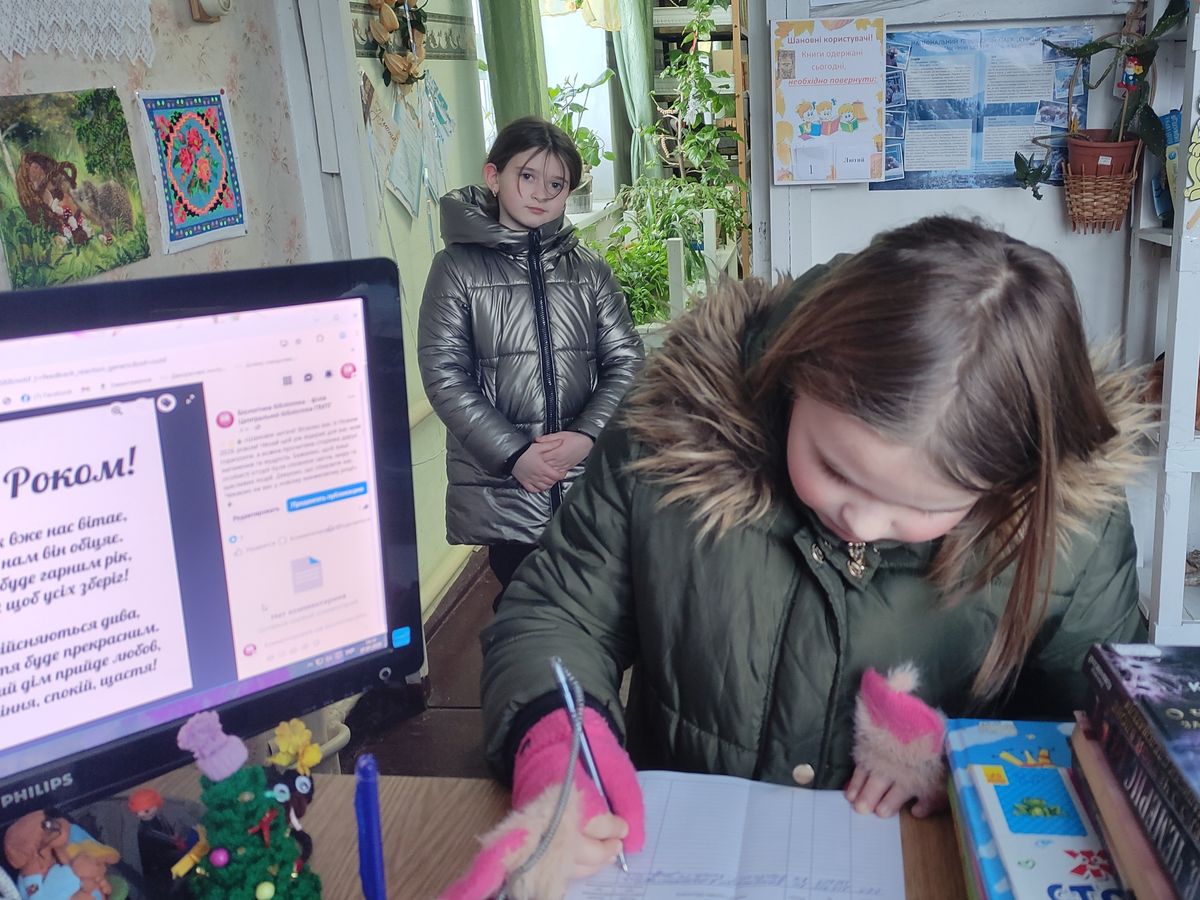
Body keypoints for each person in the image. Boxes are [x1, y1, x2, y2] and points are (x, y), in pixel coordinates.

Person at [439, 216, 1150, 900]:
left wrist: (971, 767)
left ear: (1007, 481)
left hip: (930, 860)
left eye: (922, 507)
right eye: (834, 469)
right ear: (792, 374)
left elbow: (1104, 736)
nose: (861, 520)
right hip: (671, 856)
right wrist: (557, 747)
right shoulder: (665, 435)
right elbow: (558, 613)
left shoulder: (1068, 529)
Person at [418, 117, 643, 594]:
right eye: (527, 176)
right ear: (494, 176)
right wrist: (515, 455)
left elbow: (627, 360)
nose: (541, 193)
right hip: (508, 492)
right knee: (524, 608)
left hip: (587, 486)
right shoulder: (456, 269)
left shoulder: (589, 270)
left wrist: (587, 435)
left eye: (556, 184)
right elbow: (444, 374)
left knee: (600, 608)